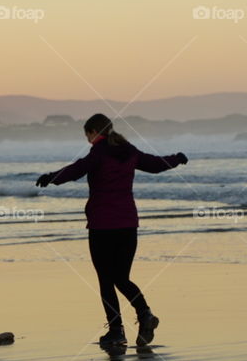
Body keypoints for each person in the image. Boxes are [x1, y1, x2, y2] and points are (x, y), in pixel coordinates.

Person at [36, 113, 188, 349]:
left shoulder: (98, 153)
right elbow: (155, 165)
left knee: (106, 280)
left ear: (94, 131)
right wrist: (177, 158)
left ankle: (116, 331)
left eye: (87, 135)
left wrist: (51, 177)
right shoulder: (129, 150)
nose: (87, 140)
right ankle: (144, 314)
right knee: (121, 277)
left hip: (102, 226)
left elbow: (77, 170)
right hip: (128, 225)